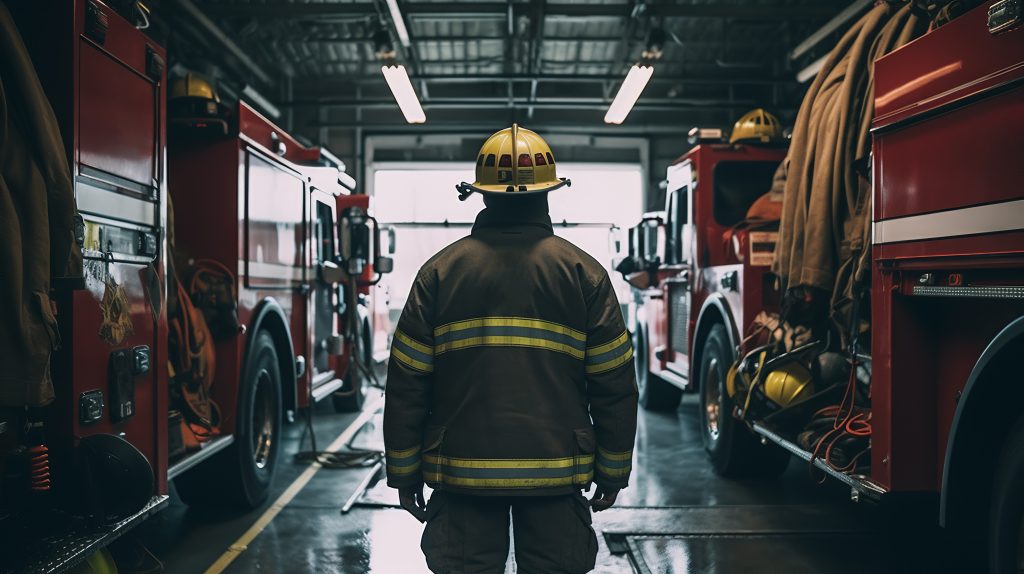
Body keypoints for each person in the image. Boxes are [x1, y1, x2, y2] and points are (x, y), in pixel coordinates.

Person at [383, 124, 639, 573]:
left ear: (482, 194)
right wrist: (612, 472)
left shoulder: (438, 274)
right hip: (557, 478)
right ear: (550, 192)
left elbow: (407, 383)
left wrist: (405, 474)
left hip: (461, 479)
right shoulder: (586, 275)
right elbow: (615, 385)